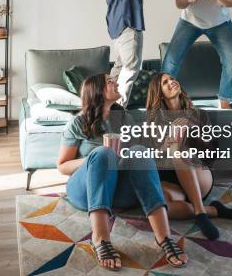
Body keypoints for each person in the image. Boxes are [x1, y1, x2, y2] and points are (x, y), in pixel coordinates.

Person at [58, 74, 188, 271]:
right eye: (110, 81)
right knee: (103, 153)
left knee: (139, 151)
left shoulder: (125, 118)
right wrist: (94, 157)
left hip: (118, 192)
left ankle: (164, 237)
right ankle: (100, 239)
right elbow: (62, 165)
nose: (117, 83)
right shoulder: (77, 122)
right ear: (98, 91)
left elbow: (143, 155)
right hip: (86, 192)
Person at [145, 72, 232, 240]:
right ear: (159, 94)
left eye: (172, 78)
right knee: (158, 207)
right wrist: (164, 147)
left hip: (200, 176)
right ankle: (214, 210)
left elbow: (212, 153)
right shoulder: (153, 123)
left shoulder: (198, 114)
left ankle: (200, 212)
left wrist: (191, 128)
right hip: (173, 183)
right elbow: (150, 161)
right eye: (165, 82)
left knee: (180, 151)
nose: (172, 82)